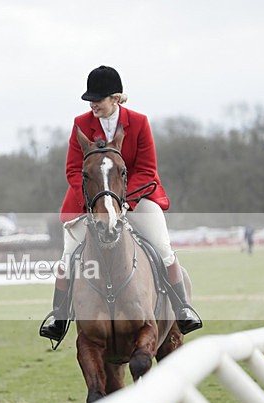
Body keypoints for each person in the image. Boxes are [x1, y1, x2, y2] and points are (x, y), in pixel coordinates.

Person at [39, 66, 202, 343]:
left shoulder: (138, 122)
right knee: (67, 256)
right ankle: (59, 315)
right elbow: (72, 170)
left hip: (137, 198)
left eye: (98, 99)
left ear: (116, 98)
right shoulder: (80, 124)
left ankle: (182, 308)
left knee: (163, 249)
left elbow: (147, 169)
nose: (93, 104)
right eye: (90, 99)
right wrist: (95, 203)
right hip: (90, 202)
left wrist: (124, 202)